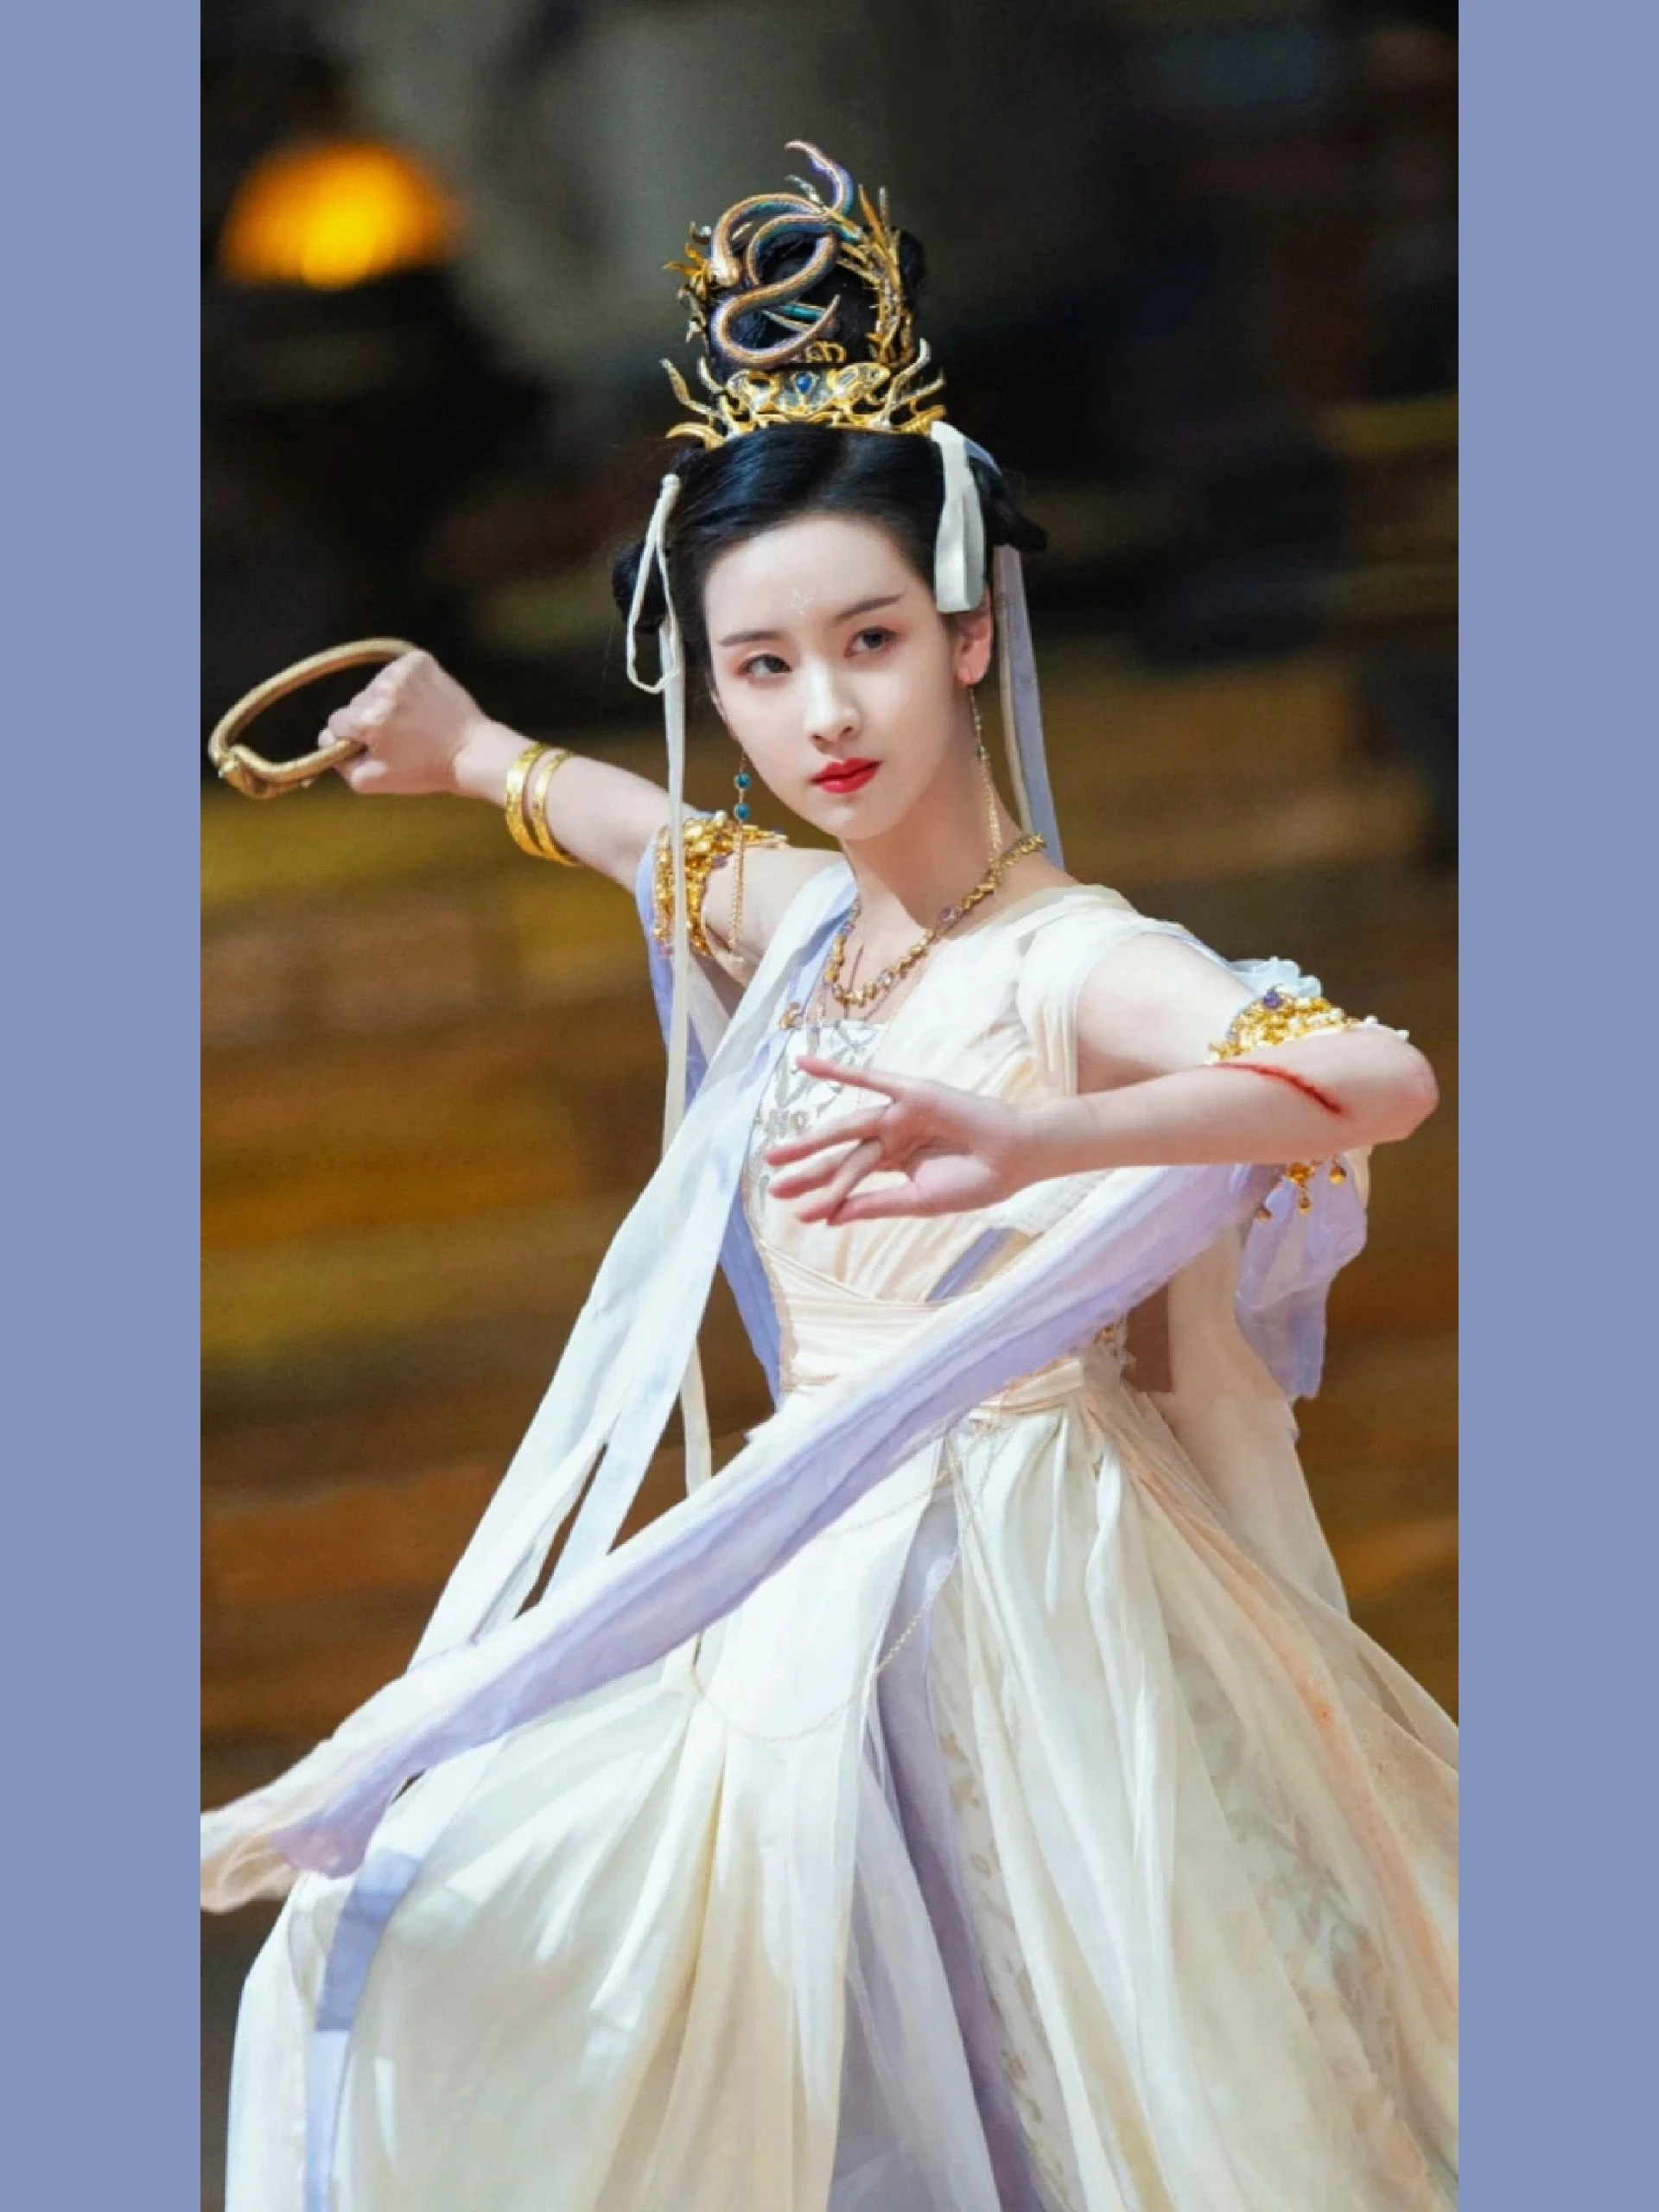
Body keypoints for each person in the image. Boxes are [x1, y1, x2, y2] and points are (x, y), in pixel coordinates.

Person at [205, 145, 1456, 2212]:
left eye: (868, 638)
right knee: (518, 1951)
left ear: (966, 633)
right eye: (763, 667)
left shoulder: (1072, 957)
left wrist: (1043, 1137)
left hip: (1039, 1577)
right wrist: (476, 752)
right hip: (810, 1572)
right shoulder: (804, 924)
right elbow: (656, 842)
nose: (823, 711)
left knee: (1085, 2060)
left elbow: (1370, 1073)